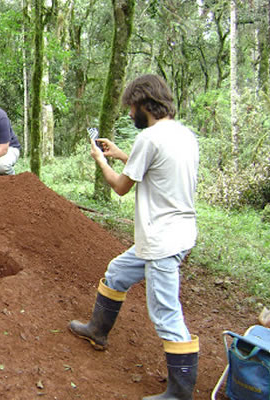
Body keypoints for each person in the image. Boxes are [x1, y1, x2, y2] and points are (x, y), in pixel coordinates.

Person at [69, 75, 199, 400]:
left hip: (161, 241)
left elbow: (121, 187)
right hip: (178, 233)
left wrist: (101, 160)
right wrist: (121, 155)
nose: (130, 113)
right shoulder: (184, 135)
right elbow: (157, 171)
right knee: (117, 272)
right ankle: (97, 331)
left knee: (166, 313)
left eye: (131, 106)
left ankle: (180, 393)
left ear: (143, 103)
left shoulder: (151, 138)